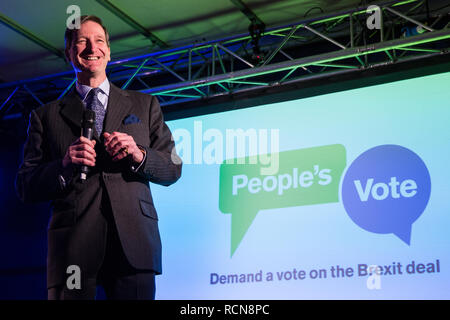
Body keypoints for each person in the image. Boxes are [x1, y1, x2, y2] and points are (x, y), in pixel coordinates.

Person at [15, 15, 182, 300]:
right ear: (69, 52)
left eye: (99, 40)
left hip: (135, 244)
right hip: (72, 246)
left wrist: (138, 155)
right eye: (82, 41)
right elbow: (25, 186)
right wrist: (64, 164)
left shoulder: (144, 104)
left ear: (108, 50)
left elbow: (172, 168)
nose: (92, 47)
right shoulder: (45, 116)